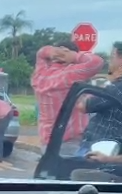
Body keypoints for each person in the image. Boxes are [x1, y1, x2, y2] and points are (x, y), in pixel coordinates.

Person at [31, 41, 103, 156]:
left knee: (50, 171)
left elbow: (40, 53)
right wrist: (74, 56)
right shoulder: (68, 74)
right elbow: (96, 63)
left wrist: (53, 51)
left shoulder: (40, 74)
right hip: (68, 140)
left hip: (47, 140)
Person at [70, 42, 122, 181]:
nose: (110, 62)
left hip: (99, 151)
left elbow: (82, 105)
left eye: (112, 57)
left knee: (72, 175)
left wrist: (108, 82)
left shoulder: (116, 88)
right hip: (109, 154)